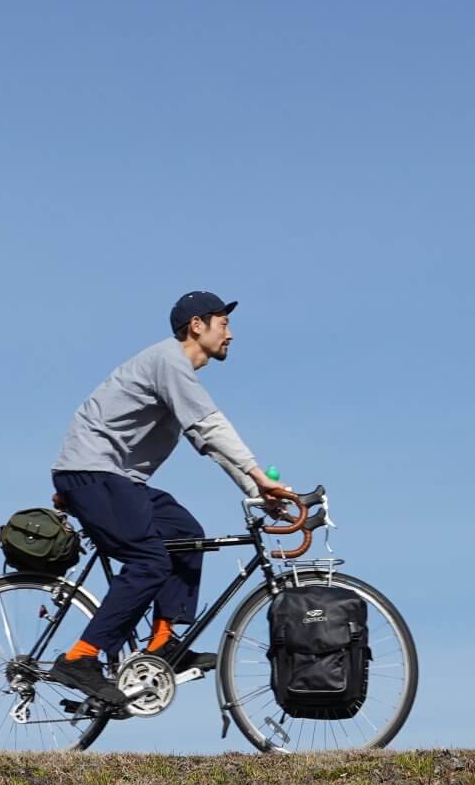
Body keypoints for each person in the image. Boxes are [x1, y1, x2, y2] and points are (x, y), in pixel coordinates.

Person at [43, 290, 301, 708]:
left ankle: (162, 642)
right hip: (93, 474)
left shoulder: (175, 372)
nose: (230, 334)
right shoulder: (169, 362)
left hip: (112, 478)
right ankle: (80, 658)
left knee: (186, 534)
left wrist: (258, 492)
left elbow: (208, 441)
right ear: (196, 326)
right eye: (224, 324)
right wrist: (258, 477)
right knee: (149, 560)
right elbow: (211, 427)